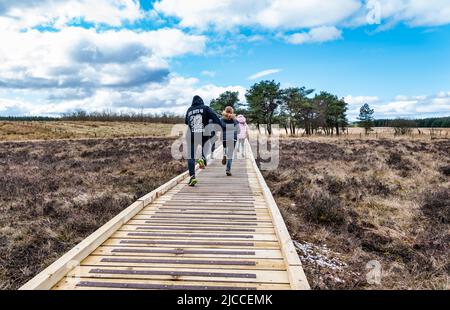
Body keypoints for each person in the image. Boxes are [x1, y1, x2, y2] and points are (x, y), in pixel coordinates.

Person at [185, 95, 222, 186]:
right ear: (201, 101)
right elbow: (215, 117)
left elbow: (186, 121)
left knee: (191, 156)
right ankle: (202, 158)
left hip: (191, 135)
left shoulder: (189, 110)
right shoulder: (206, 108)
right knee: (205, 148)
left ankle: (192, 177)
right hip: (204, 134)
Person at [221, 106, 240, 176]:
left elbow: (221, 127)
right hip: (233, 138)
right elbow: (238, 130)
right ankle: (228, 169)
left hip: (225, 137)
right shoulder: (235, 120)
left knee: (225, 149)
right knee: (230, 154)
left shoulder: (222, 119)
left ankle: (224, 154)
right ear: (232, 112)